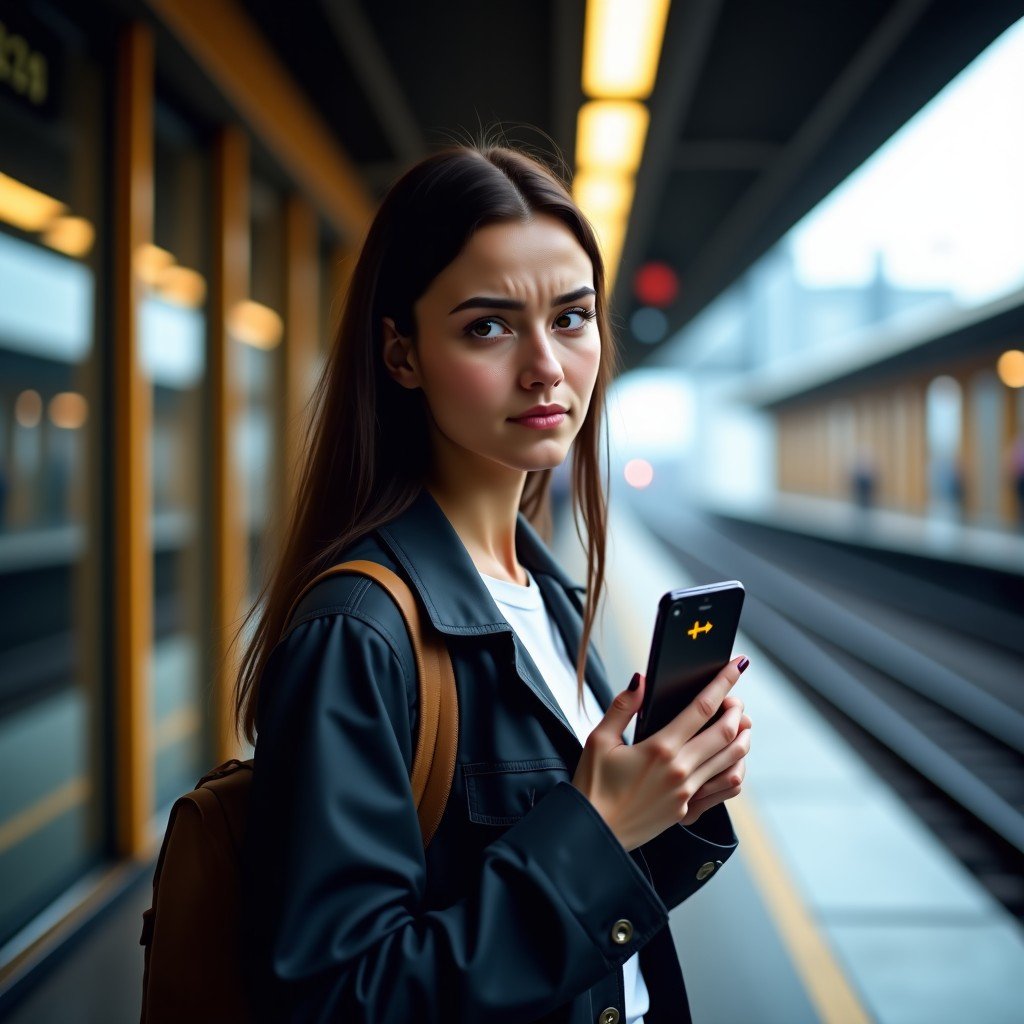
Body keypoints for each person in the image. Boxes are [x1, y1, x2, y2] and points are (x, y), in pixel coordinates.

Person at [235, 141, 752, 1024]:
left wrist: (665, 803)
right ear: (401, 354)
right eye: (488, 326)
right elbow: (340, 1001)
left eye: (573, 317)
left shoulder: (543, 595)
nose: (546, 365)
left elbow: (592, 931)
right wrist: (595, 834)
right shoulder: (357, 634)